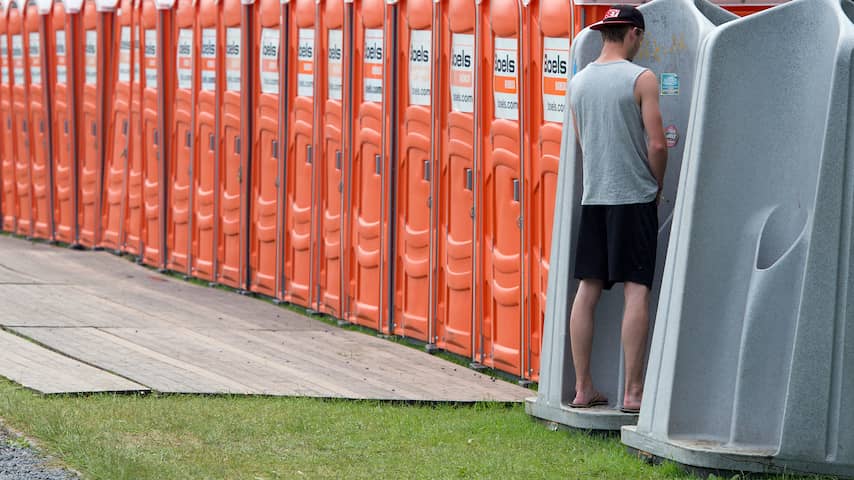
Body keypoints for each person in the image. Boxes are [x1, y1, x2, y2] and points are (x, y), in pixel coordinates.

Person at [566, 5, 667, 414]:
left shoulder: (579, 83)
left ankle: (582, 387)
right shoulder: (641, 78)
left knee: (587, 291)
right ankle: (634, 392)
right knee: (636, 289)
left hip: (595, 199)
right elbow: (658, 144)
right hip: (633, 199)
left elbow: (583, 142)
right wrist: (656, 185)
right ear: (634, 36)